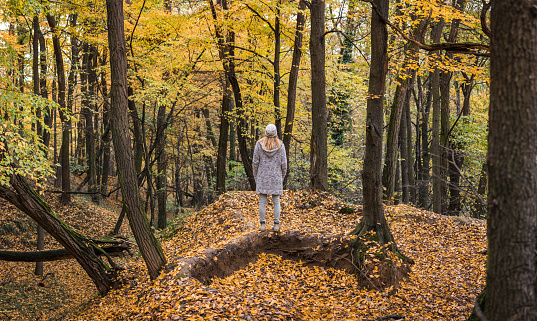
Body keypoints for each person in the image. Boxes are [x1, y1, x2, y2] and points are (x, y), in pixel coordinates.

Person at [253, 124, 287, 232]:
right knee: (276, 201)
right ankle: (276, 224)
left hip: (263, 177)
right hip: (276, 177)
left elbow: (255, 163)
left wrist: (256, 176)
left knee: (262, 201)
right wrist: (281, 176)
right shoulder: (281, 145)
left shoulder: (259, 145)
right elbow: (284, 164)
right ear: (276, 133)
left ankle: (262, 224)